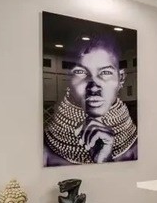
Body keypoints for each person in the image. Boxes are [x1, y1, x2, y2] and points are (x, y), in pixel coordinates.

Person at [43, 36, 137, 166]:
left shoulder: (138, 147)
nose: (93, 88)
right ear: (69, 78)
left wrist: (105, 160)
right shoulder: (43, 151)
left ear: (121, 78)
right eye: (80, 72)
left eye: (105, 73)